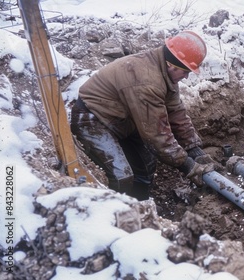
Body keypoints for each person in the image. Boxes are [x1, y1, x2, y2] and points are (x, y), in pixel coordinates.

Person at [70, 31, 215, 201]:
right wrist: (188, 165)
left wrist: (193, 149)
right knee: (121, 176)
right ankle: (115, 215)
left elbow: (176, 113)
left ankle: (140, 206)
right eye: (185, 71)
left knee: (146, 167)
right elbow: (157, 136)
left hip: (125, 118)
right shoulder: (147, 82)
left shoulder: (166, 75)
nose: (186, 76)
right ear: (172, 65)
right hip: (93, 118)